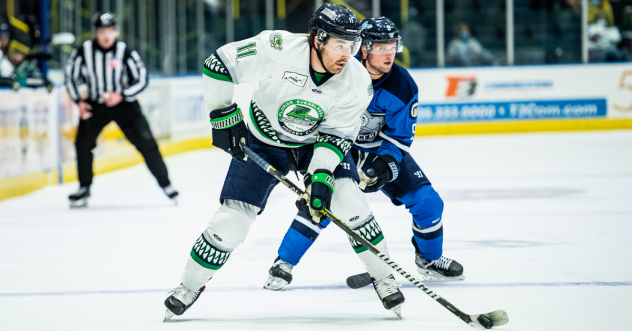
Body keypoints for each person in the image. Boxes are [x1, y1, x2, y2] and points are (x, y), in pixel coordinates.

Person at [164, 4, 405, 321]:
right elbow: (218, 64)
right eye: (339, 45)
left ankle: (384, 278)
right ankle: (189, 286)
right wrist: (223, 115)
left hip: (314, 145)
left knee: (350, 203)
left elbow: (334, 138)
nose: (348, 54)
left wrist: (320, 177)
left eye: (352, 45)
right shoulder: (276, 48)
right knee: (231, 221)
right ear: (317, 39)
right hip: (263, 142)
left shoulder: (356, 81)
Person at [265, 17, 464, 293]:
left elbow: (400, 137)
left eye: (393, 46)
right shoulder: (338, 71)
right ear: (364, 48)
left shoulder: (402, 86)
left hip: (377, 153)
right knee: (320, 201)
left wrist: (384, 165)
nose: (389, 53)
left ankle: (428, 259)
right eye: (381, 47)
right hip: (338, 149)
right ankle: (283, 263)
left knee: (428, 202)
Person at [64, 12, 178, 207]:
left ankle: (166, 184)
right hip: (95, 104)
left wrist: (123, 95)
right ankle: (84, 187)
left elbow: (142, 79)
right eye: (102, 31)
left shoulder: (125, 51)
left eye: (110, 31)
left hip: (124, 103)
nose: (106, 35)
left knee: (146, 142)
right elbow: (70, 76)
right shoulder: (84, 51)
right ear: (96, 32)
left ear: (116, 31)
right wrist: (79, 101)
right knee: (83, 143)